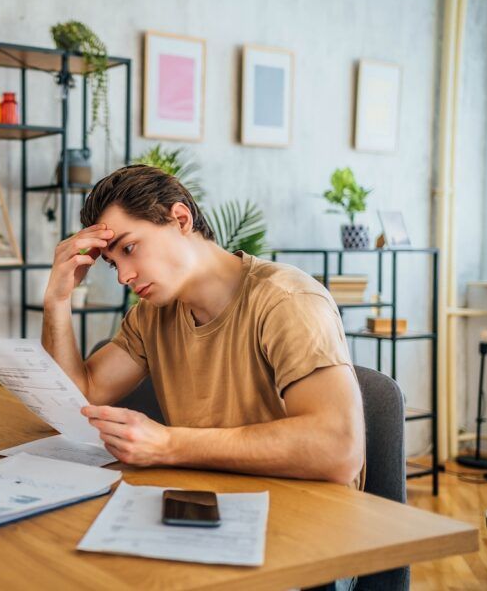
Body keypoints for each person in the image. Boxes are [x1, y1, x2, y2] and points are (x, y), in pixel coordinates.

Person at [41, 164, 365, 487]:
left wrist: (168, 445)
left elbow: (338, 449)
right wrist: (57, 299)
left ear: (181, 219)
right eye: (114, 264)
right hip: (211, 501)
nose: (124, 276)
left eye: (129, 248)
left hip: (307, 515)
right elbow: (77, 400)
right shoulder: (151, 315)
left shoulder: (287, 300)